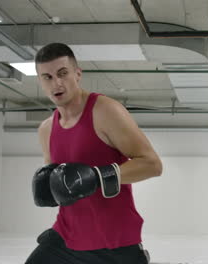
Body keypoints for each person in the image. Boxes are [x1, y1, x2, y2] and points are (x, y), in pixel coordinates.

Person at [26, 43, 163, 264]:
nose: (57, 83)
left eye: (63, 74)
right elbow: (63, 186)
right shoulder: (46, 129)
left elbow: (152, 165)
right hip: (66, 237)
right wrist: (49, 188)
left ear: (77, 74)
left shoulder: (105, 111)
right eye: (47, 77)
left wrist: (98, 177)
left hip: (114, 243)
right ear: (40, 82)